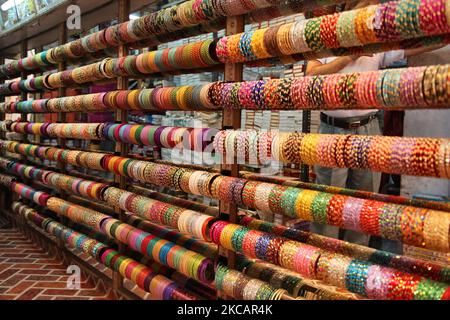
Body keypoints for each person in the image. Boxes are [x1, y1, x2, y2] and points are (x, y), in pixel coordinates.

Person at [305, 0, 444, 249]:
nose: (365, 19)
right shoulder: (327, 41)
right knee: (327, 203)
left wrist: (440, 23)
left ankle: (354, 265)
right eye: (360, 12)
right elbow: (310, 76)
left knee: (364, 205)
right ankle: (322, 263)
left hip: (367, 129)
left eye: (369, 14)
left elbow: (416, 48)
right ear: (347, 14)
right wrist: (346, 57)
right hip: (331, 131)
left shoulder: (377, 46)